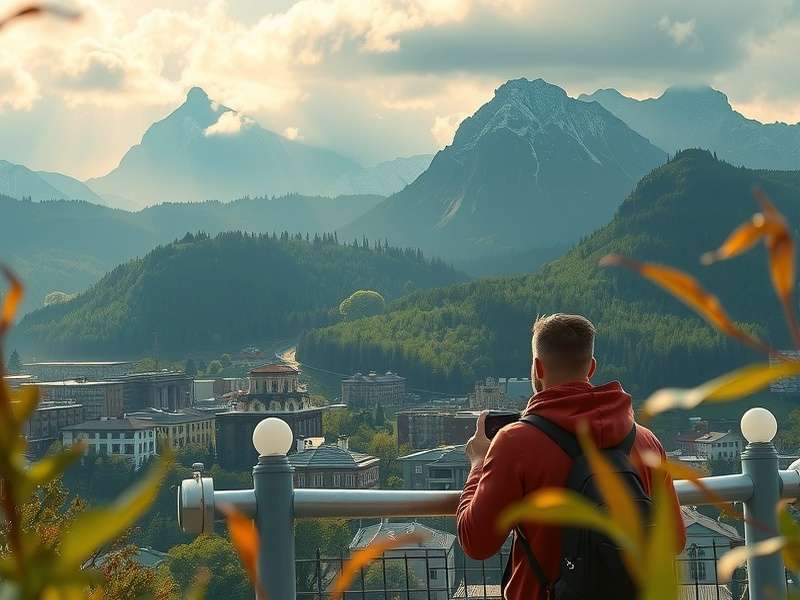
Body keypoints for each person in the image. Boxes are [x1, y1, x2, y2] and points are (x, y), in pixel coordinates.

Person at [456, 313, 685, 600]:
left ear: (538, 367)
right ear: (591, 367)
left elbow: (476, 542)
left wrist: (478, 462)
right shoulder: (646, 441)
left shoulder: (515, 443)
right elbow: (674, 539)